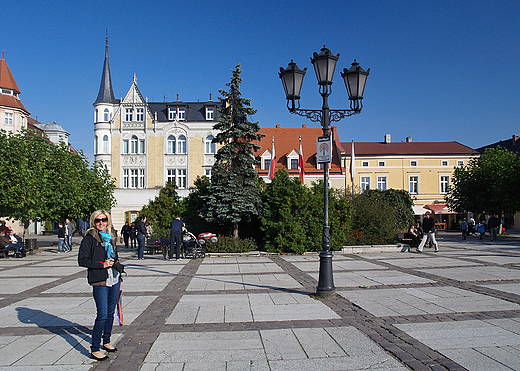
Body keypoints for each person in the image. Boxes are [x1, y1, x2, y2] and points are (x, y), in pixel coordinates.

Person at [78, 210, 122, 361]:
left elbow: (114, 256)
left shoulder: (111, 236)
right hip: (100, 280)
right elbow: (82, 260)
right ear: (93, 222)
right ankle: (95, 348)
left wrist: (117, 267)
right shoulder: (90, 239)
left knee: (110, 313)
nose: (101, 223)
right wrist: (102, 265)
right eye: (98, 220)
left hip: (114, 279)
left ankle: (107, 341)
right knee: (102, 315)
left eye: (103, 220)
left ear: (108, 221)